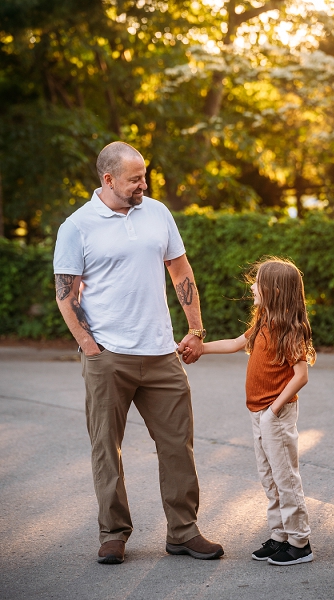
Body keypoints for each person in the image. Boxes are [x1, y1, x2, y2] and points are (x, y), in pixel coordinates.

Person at [53, 141, 223, 564]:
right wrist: (89, 346)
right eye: (134, 178)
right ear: (108, 179)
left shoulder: (158, 213)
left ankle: (183, 531)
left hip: (162, 353)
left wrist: (196, 329)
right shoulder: (78, 226)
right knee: (106, 447)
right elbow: (65, 293)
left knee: (177, 445)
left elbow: (180, 270)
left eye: (144, 175)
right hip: (108, 355)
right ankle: (113, 533)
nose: (143, 184)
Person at [197, 257, 316, 566]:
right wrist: (200, 348)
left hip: (275, 414)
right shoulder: (264, 321)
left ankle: (300, 542)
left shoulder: (290, 328)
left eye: (257, 282)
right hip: (259, 413)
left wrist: (273, 410)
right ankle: (280, 536)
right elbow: (237, 343)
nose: (251, 286)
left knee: (285, 477)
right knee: (269, 477)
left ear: (274, 289)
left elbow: (301, 375)